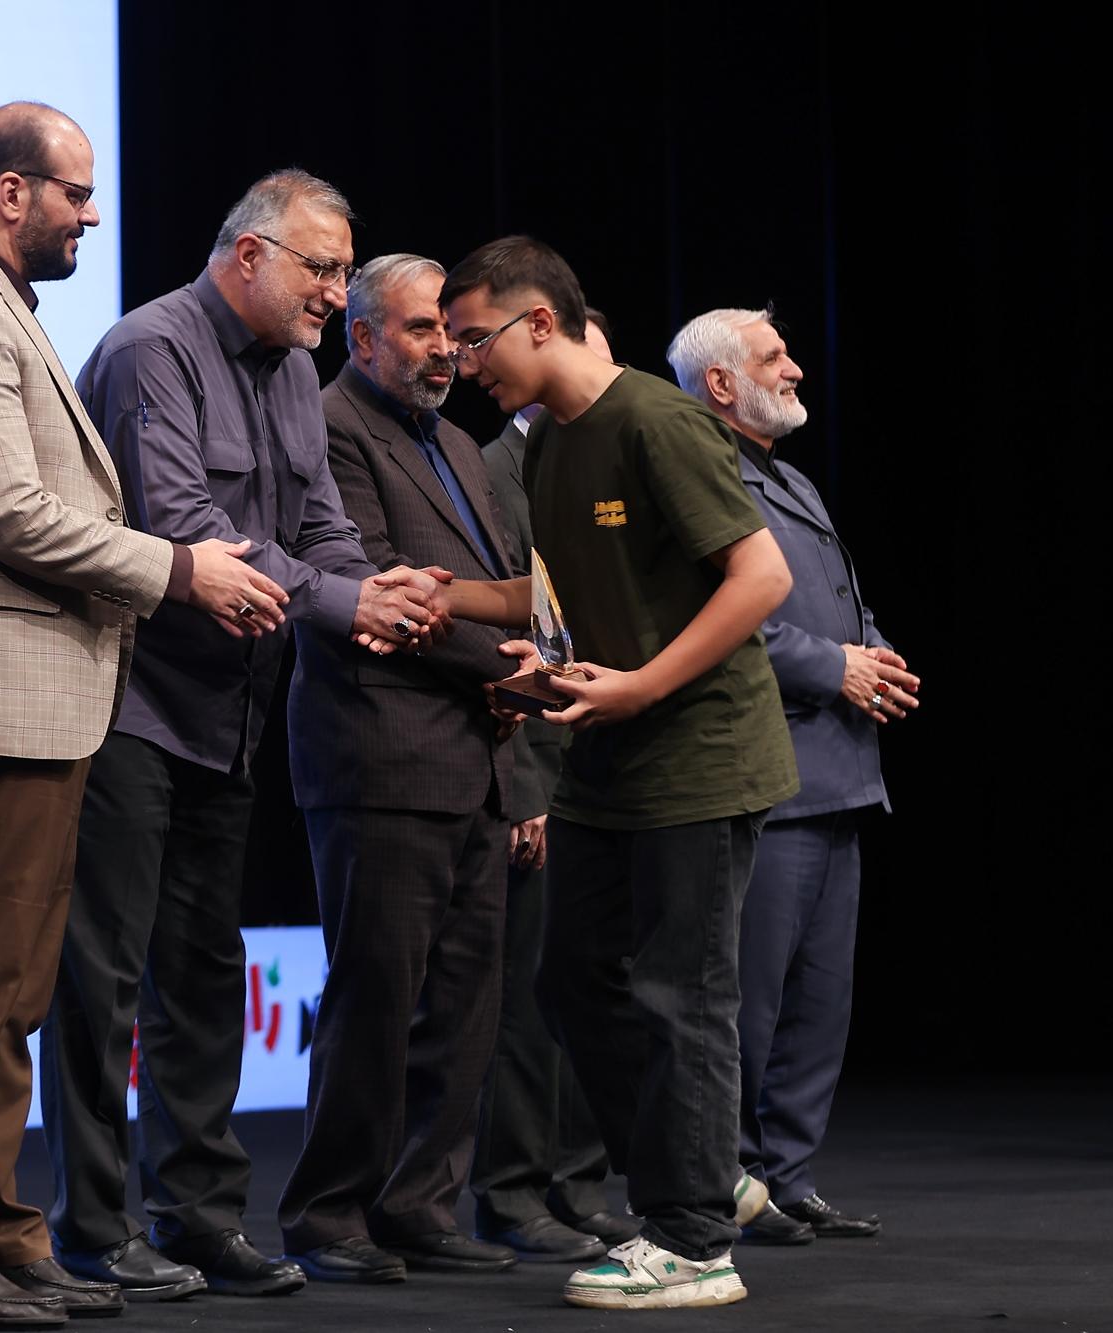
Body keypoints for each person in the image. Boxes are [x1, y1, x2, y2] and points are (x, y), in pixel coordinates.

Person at [0, 103, 289, 1331]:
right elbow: (9, 513)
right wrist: (177, 569)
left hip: (36, 706)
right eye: (75, 194)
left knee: (13, 998)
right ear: (12, 193)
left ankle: (4, 1236)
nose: (92, 216)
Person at [41, 170, 448, 1302]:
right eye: (321, 267)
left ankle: (200, 1217)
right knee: (103, 979)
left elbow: (317, 522)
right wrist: (344, 603)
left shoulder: (296, 371)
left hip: (229, 714)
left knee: (204, 973)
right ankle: (92, 1226)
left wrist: (374, 587)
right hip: (130, 705)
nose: (336, 291)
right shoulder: (150, 349)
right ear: (248, 254)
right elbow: (181, 526)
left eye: (343, 271)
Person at [429, 234, 800, 1310]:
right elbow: (555, 594)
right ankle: (699, 1170)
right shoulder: (549, 441)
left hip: (698, 756)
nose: (461, 362)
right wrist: (447, 597)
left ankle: (692, 1239)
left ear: (539, 322)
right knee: (570, 978)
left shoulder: (654, 422)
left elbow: (760, 576)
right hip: (607, 759)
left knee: (683, 992)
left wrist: (638, 686)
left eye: (473, 339)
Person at [272, 253, 523, 1283]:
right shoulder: (328, 424)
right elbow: (377, 590)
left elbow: (497, 585)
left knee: (462, 1002)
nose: (444, 351)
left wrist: (522, 670)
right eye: (422, 330)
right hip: (378, 751)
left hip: (475, 757)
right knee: (376, 996)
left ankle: (419, 1205)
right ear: (363, 335)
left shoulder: (458, 442)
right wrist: (516, 665)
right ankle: (328, 1212)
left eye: (452, 334)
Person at [669, 307, 918, 1242]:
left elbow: (842, 598)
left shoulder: (791, 476)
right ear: (721, 382)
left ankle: (791, 1173)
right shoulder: (698, 474)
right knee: (749, 999)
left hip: (842, 771)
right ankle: (732, 1179)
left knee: (820, 1000)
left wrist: (873, 653)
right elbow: (717, 619)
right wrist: (832, 667)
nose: (797, 369)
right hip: (765, 775)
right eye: (774, 356)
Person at [466, 310, 637, 1265]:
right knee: (529, 998)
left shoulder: (597, 458)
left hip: (604, 763)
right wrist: (525, 782)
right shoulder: (499, 467)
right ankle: (513, 1190)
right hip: (537, 764)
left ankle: (578, 1183)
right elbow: (515, 626)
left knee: (591, 985)